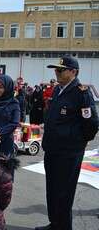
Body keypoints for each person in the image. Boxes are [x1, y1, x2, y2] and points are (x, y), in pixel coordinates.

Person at [35, 55, 98, 230]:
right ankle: (54, 223)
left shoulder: (81, 93)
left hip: (69, 153)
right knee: (52, 189)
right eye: (56, 69)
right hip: (53, 150)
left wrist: (80, 142)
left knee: (64, 193)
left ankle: (63, 227)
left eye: (61, 70)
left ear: (73, 72)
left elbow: (92, 123)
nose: (57, 72)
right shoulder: (57, 90)